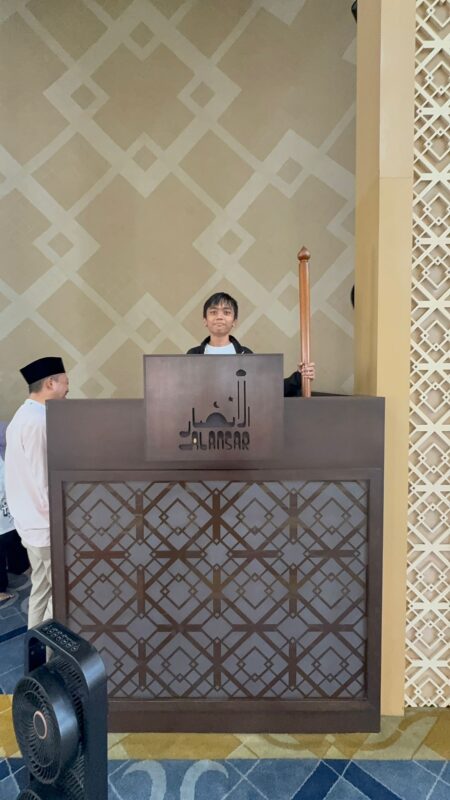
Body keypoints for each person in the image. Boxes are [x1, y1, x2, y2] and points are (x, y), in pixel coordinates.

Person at [5, 357, 69, 628]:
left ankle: (35, 646)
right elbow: (45, 480)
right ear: (50, 383)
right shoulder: (39, 421)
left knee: (41, 588)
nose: (67, 388)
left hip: (30, 522)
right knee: (60, 595)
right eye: (65, 382)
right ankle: (50, 650)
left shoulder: (22, 416)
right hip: (45, 525)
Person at [187, 292, 315, 395]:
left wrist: (300, 377)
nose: (219, 317)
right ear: (205, 320)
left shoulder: (246, 355)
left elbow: (267, 388)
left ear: (234, 321)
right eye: (213, 312)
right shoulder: (193, 355)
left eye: (226, 312)